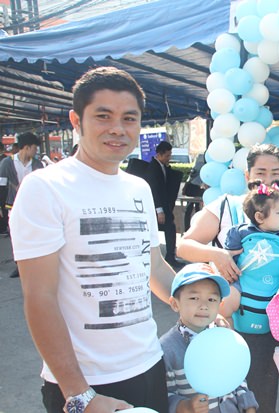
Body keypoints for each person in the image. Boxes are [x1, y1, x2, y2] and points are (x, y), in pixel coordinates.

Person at [9, 66, 176, 413]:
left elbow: (154, 267)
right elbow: (39, 297)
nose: (117, 128)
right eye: (103, 116)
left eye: (129, 118)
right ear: (76, 119)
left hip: (148, 364)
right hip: (83, 383)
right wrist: (79, 395)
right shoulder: (45, 188)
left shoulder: (139, 188)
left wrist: (197, 300)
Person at [177, 143, 279, 413]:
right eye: (260, 171)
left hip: (267, 330)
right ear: (247, 174)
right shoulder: (226, 206)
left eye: (276, 172)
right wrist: (217, 255)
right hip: (225, 320)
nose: (269, 179)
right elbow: (184, 246)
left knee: (259, 400)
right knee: (218, 398)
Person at [222, 180, 279, 381]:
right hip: (243, 284)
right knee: (226, 300)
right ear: (259, 217)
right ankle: (225, 339)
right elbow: (230, 254)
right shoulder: (241, 232)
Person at [161, 262, 259, 413]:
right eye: (194, 298)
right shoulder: (167, 348)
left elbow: (237, 378)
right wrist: (185, 406)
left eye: (212, 299)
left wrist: (249, 406)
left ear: (220, 304)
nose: (204, 306)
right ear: (175, 304)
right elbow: (164, 395)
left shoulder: (224, 337)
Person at [0, 131, 44, 277]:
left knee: (35, 233)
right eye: (34, 148)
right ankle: (20, 265)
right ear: (26, 147)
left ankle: (36, 263)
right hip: (12, 206)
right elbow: (2, 187)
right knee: (17, 235)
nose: (36, 151)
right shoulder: (7, 163)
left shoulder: (37, 164)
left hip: (34, 207)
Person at [147, 140, 182, 268]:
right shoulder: (153, 168)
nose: (169, 158)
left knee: (170, 229)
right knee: (168, 229)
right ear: (160, 154)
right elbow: (154, 189)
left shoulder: (162, 167)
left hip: (164, 205)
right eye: (167, 155)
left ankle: (169, 256)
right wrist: (159, 210)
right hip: (158, 207)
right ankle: (168, 257)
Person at [182, 154, 206, 232]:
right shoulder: (203, 161)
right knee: (195, 209)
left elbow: (192, 175)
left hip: (194, 186)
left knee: (191, 209)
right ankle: (193, 229)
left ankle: (188, 229)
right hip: (197, 187)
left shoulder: (200, 160)